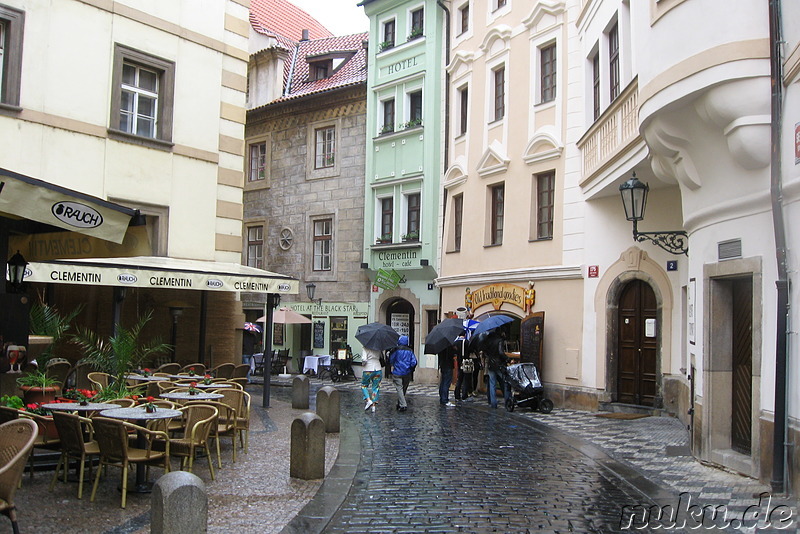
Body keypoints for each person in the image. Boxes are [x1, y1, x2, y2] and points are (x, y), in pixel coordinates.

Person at [388, 335, 417, 412]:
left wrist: (393, 365)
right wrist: (410, 368)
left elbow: (392, 360)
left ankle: (403, 404)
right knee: (403, 388)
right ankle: (400, 403)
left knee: (399, 388)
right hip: (407, 372)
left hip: (397, 372)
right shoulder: (410, 351)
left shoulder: (396, 350)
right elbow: (414, 362)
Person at [484, 331, 511, 409]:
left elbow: (486, 353)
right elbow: (501, 352)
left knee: (492, 384)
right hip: (499, 364)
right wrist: (507, 359)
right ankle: (507, 401)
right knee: (505, 382)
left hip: (490, 364)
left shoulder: (487, 341)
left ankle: (493, 403)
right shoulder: (499, 340)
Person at [361, 346, 383, 413]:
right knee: (376, 387)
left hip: (368, 369)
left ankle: (368, 400)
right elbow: (381, 357)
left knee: (364, 386)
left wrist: (363, 364)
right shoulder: (378, 347)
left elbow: (364, 359)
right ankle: (373, 405)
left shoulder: (365, 347)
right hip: (378, 369)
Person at [437, 342, 457, 407]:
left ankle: (442, 398)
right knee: (446, 383)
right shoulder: (448, 346)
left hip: (443, 365)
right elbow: (451, 354)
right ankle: (445, 399)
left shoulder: (439, 345)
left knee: (443, 382)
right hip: (448, 365)